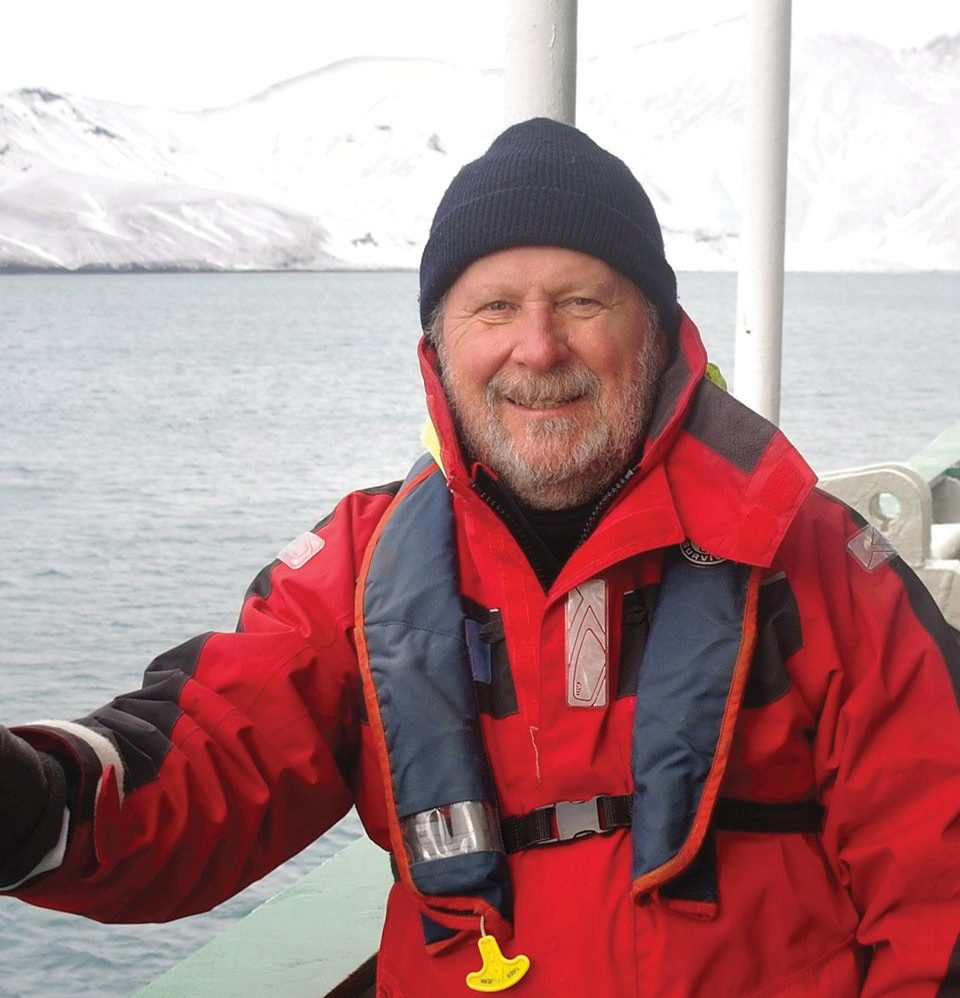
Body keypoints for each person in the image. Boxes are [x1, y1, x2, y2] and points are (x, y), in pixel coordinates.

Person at [1, 117, 959, 997]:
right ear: (437, 351)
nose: (537, 349)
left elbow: (938, 883)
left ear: (659, 333)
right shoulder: (363, 572)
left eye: (584, 301)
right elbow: (209, 762)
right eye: (493, 308)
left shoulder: (821, 567)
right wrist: (27, 799)